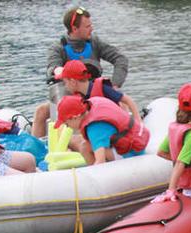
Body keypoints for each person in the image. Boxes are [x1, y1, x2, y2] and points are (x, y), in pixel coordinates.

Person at [32, 6, 129, 138]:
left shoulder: (95, 42)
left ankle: (125, 138)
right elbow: (52, 66)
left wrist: (115, 85)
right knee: (41, 111)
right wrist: (57, 70)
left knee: (122, 103)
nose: (92, 28)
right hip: (68, 95)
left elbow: (120, 59)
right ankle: (40, 148)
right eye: (87, 26)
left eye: (91, 25)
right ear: (75, 29)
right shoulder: (58, 47)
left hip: (93, 93)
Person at [52, 60, 142, 160]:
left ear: (73, 82)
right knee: (72, 140)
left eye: (65, 83)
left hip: (114, 135)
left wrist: (138, 120)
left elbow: (127, 101)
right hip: (104, 134)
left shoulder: (102, 88)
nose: (65, 86)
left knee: (81, 145)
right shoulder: (80, 98)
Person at [54, 94, 148, 165]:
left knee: (84, 147)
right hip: (137, 136)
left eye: (66, 123)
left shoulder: (95, 128)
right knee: (81, 142)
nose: (67, 127)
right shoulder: (94, 102)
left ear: (75, 117)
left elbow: (100, 161)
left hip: (132, 153)